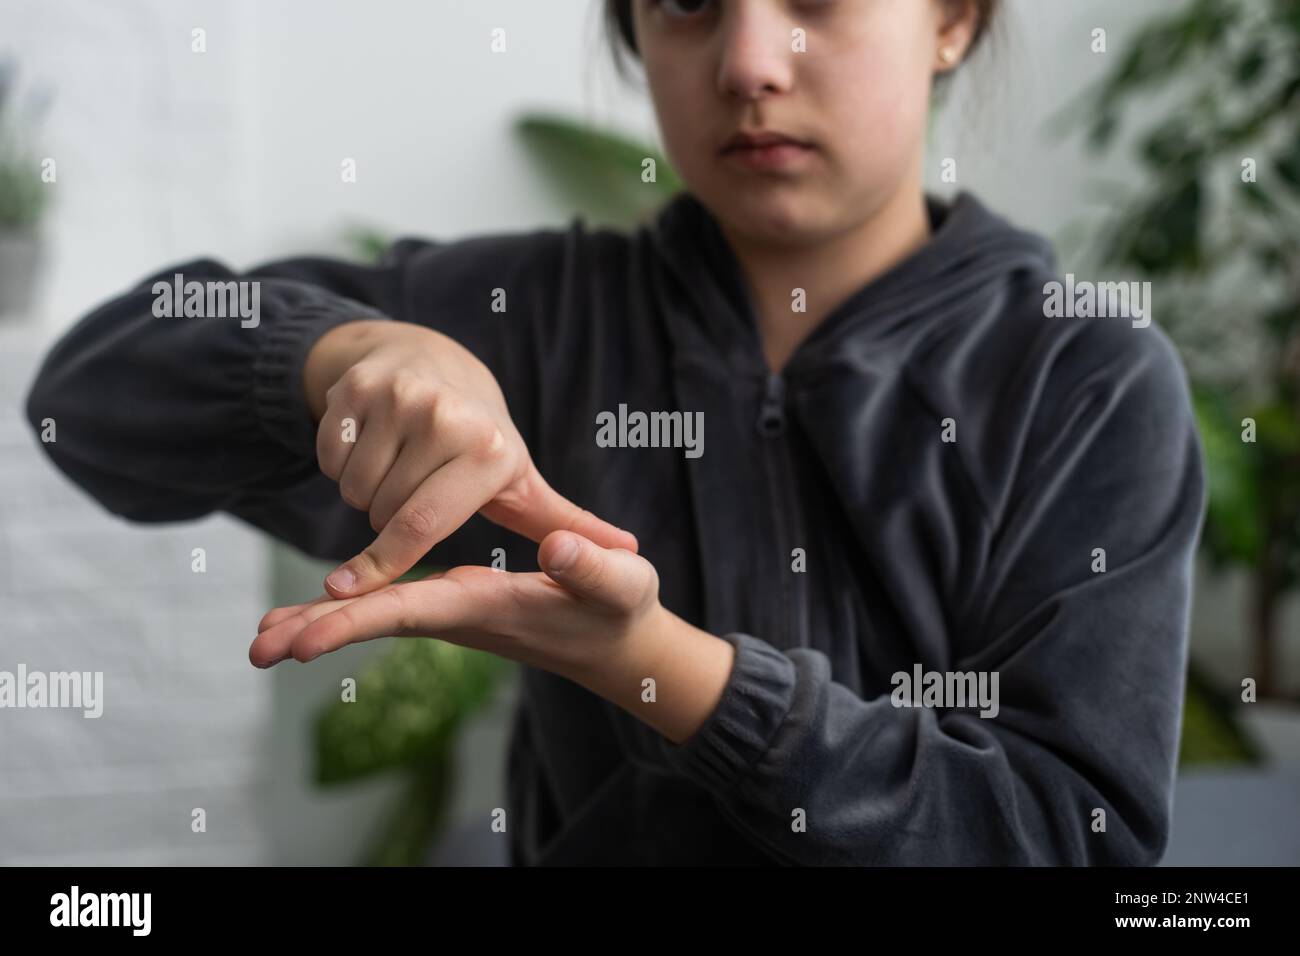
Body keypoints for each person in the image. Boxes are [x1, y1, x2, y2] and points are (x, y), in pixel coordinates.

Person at [25, 0, 1206, 865]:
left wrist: (658, 665)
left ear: (951, 20)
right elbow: (86, 392)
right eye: (688, 5)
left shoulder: (1084, 378)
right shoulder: (534, 321)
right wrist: (338, 355)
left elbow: (1071, 836)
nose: (747, 62)